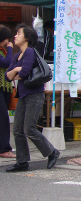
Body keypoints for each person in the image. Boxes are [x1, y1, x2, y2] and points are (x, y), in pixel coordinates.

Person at [5, 24, 59, 172]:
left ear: (27, 38)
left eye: (18, 33)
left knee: (29, 129)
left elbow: (23, 74)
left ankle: (52, 152)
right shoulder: (17, 56)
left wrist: (16, 71)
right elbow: (8, 76)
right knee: (17, 130)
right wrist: (16, 70)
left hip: (34, 95)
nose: (15, 36)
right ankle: (22, 162)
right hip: (23, 95)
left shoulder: (29, 52)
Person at [0, 26, 16, 158]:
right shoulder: (4, 51)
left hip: (4, 88)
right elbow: (7, 63)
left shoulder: (2, 50)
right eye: (6, 38)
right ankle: (4, 149)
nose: (7, 41)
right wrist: (10, 48)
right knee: (3, 119)